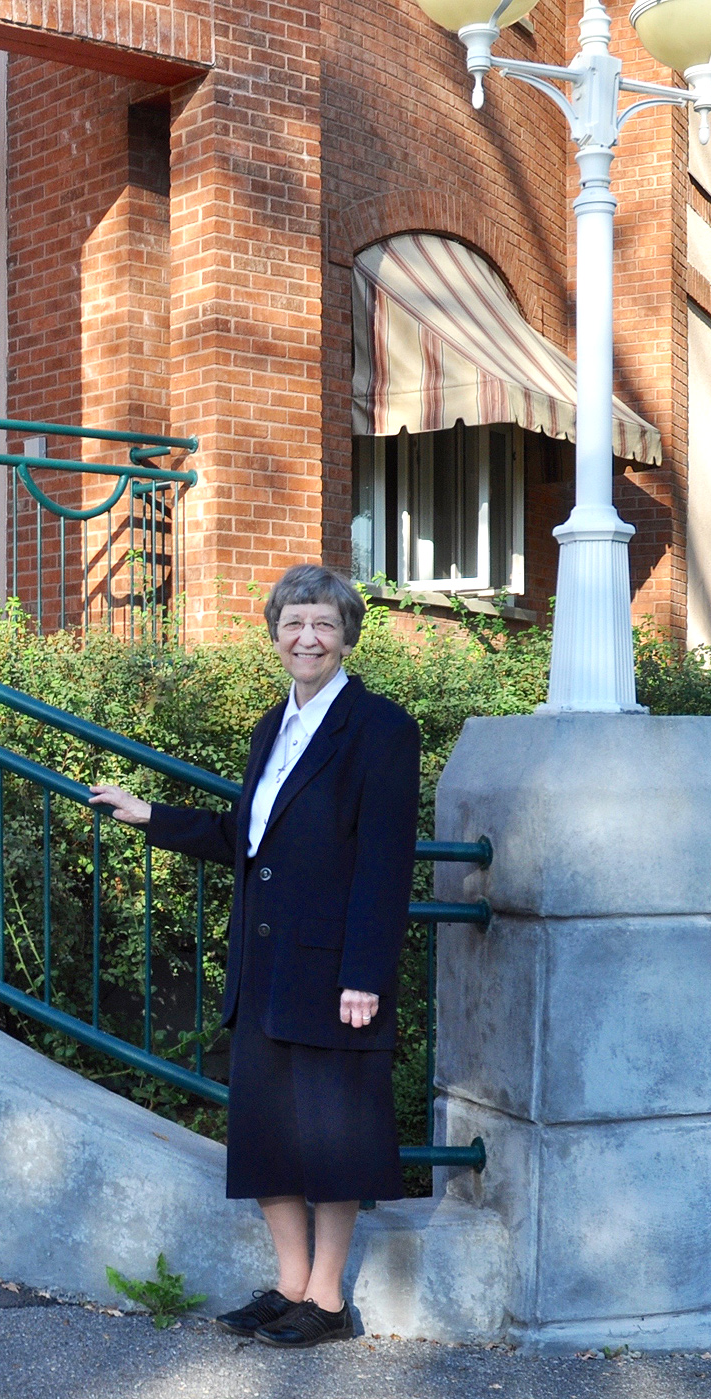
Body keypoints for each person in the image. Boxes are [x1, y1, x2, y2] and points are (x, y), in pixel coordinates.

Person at [89, 563, 420, 1348]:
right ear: (275, 634)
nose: (307, 637)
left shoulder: (380, 729)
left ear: (347, 637)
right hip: (265, 967)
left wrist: (365, 975)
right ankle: (290, 1285)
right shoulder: (273, 727)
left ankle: (329, 1301)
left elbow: (385, 861)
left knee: (334, 1136)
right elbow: (248, 836)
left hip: (335, 970)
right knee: (270, 1132)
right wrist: (151, 815)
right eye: (294, 623)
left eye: (323, 625)